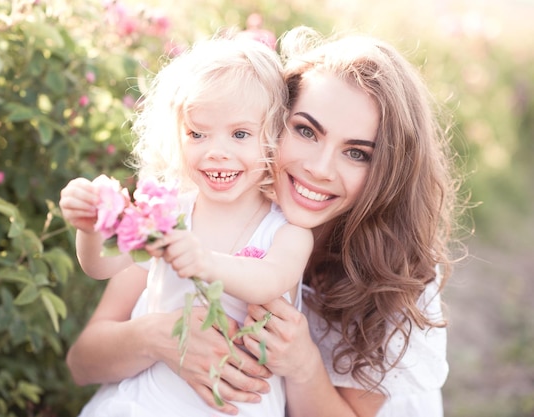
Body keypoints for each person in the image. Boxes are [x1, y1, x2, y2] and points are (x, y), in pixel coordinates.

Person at [64, 26, 461, 417]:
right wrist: (157, 335)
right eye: (306, 131)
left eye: (357, 153)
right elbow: (83, 361)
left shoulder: (396, 271)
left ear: (389, 171)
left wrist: (304, 364)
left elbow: (269, 277)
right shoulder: (201, 205)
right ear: (272, 124)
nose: (319, 169)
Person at [59, 33, 314, 417]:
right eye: (197, 133)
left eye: (240, 134)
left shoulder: (286, 230)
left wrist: (203, 261)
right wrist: (90, 225)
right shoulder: (168, 211)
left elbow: (271, 279)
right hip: (147, 403)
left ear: (274, 137)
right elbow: (99, 266)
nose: (216, 150)